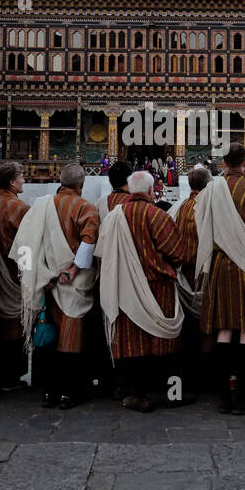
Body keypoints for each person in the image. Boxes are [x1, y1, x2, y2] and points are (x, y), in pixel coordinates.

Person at [11, 163, 99, 409]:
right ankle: (68, 393)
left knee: (47, 335)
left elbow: (25, 244)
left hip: (46, 282)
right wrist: (72, 271)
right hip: (72, 283)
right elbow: (89, 242)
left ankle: (48, 392)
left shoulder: (40, 206)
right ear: (81, 185)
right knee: (70, 336)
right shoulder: (86, 207)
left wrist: (33, 275)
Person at [97, 169, 187, 412]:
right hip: (159, 289)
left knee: (133, 346)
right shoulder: (157, 216)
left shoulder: (115, 216)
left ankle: (140, 396)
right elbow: (178, 253)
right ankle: (174, 394)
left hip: (125, 289)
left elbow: (102, 251)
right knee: (168, 344)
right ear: (150, 191)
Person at [195, 143, 245, 415]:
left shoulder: (211, 189)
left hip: (219, 263)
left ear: (224, 162)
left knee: (224, 328)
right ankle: (241, 396)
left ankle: (224, 395)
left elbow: (201, 223)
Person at [0, 162, 31, 390]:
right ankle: (10, 376)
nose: (24, 180)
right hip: (12, 274)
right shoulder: (19, 208)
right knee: (14, 324)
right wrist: (30, 274)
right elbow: (26, 245)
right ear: (11, 181)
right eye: (21, 176)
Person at [171, 165, 210, 390]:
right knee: (206, 324)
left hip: (184, 274)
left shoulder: (180, 206)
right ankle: (205, 375)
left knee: (187, 326)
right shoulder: (209, 207)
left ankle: (187, 375)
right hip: (203, 274)